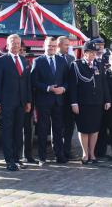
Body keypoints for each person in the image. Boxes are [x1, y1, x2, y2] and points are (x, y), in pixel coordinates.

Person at [0, 34, 32, 171]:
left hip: (21, 103)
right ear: (7, 45)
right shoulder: (1, 60)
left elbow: (27, 83)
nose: (15, 45)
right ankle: (9, 160)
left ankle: (17, 158)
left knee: (18, 131)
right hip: (7, 102)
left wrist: (28, 101)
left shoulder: (24, 61)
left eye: (18, 43)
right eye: (13, 43)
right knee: (7, 131)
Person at [69, 40, 111, 164]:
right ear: (84, 52)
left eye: (94, 52)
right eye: (90, 52)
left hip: (97, 102)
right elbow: (73, 86)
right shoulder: (76, 65)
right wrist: (74, 103)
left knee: (94, 129)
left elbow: (104, 84)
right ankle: (84, 153)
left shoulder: (99, 64)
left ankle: (92, 153)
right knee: (83, 129)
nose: (92, 54)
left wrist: (107, 99)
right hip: (82, 103)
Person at [31, 37, 70, 165]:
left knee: (58, 130)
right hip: (44, 101)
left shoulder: (62, 61)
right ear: (44, 46)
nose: (51, 48)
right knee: (43, 130)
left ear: (56, 47)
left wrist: (63, 88)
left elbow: (68, 80)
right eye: (49, 46)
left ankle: (59, 155)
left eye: (53, 46)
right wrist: (48, 88)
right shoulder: (38, 61)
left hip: (59, 101)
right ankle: (42, 157)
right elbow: (34, 81)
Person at [56, 36, 76, 160]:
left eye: (68, 45)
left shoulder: (71, 58)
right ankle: (58, 151)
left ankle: (67, 150)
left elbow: (72, 78)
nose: (68, 47)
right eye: (65, 45)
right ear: (59, 45)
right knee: (58, 126)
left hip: (69, 97)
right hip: (57, 97)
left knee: (69, 126)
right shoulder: (54, 58)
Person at [92, 36, 112, 158]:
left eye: (102, 45)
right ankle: (93, 151)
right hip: (95, 97)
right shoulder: (90, 59)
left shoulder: (108, 58)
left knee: (105, 125)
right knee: (95, 125)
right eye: (97, 45)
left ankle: (102, 151)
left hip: (107, 95)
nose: (100, 47)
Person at [20, 43, 37, 164]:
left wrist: (30, 101)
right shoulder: (9, 62)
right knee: (15, 130)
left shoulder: (27, 64)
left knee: (28, 129)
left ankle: (28, 155)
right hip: (14, 101)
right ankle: (16, 156)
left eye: (23, 50)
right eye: (20, 49)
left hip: (27, 101)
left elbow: (30, 85)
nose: (21, 51)